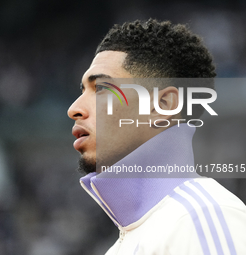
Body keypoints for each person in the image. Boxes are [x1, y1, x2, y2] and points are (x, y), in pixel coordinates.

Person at [67, 19, 246, 255]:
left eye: (101, 89)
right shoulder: (130, 241)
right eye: (82, 91)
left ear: (162, 105)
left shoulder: (201, 215)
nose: (73, 109)